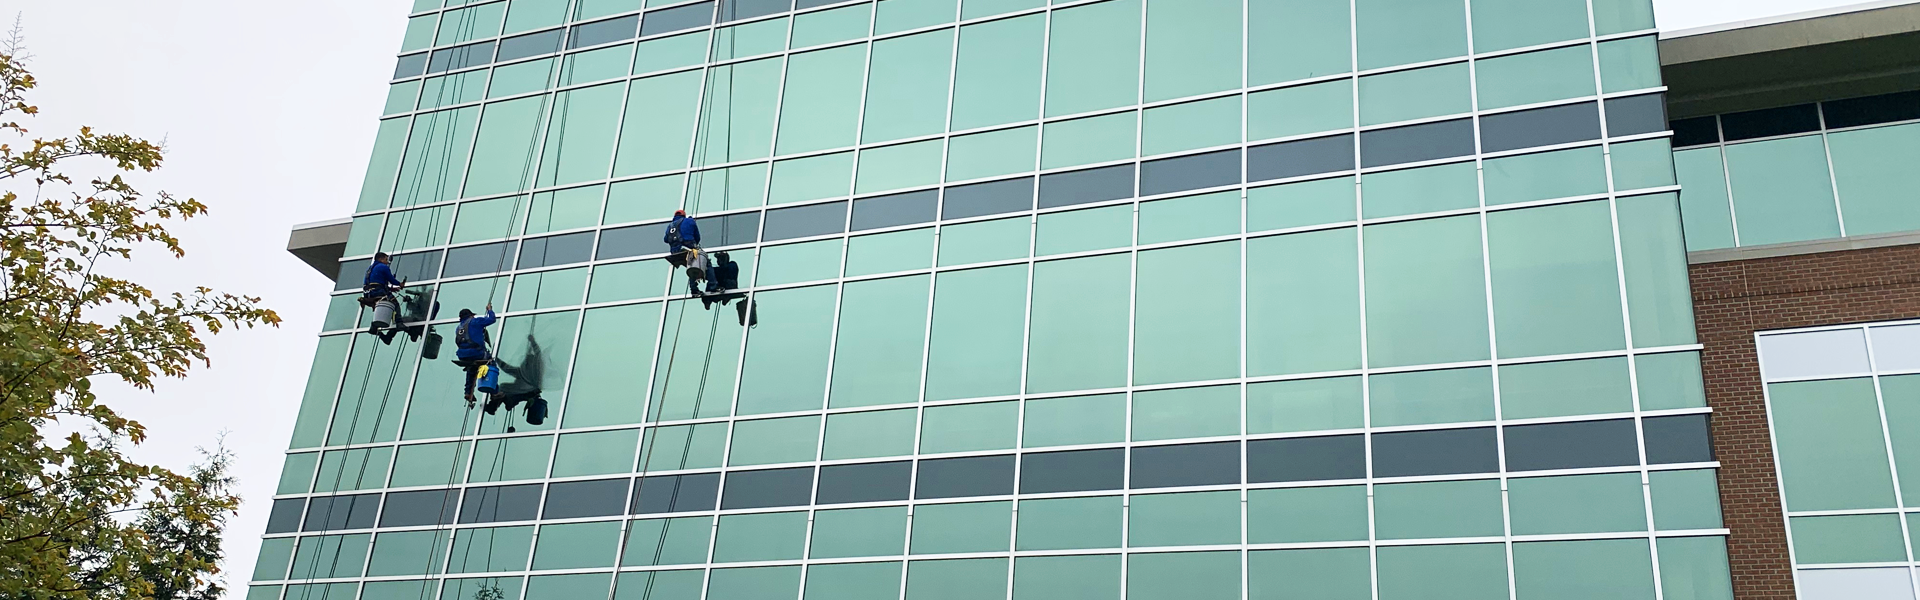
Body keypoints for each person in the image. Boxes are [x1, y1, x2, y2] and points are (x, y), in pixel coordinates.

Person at [453, 303, 497, 405]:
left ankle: (468, 392)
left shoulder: (459, 328)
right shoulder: (475, 321)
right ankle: (494, 392)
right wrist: (490, 310)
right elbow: (492, 319)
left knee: (471, 368)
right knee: (491, 362)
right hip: (476, 353)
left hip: (462, 355)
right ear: (470, 315)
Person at [362, 253, 405, 342]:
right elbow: (390, 279)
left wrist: (391, 289)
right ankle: (399, 323)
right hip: (378, 291)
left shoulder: (370, 269)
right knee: (395, 304)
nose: (387, 262)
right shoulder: (383, 267)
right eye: (386, 259)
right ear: (381, 259)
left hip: (369, 292)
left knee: (385, 304)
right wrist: (400, 284)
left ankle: (374, 328)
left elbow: (376, 282)